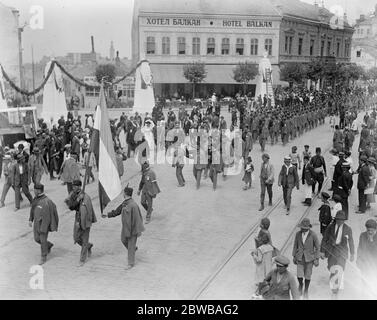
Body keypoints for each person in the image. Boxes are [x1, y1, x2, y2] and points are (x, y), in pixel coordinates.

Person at [103, 186, 145, 270]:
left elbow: (137, 219)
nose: (122, 193)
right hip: (126, 227)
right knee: (123, 240)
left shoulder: (133, 205)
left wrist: (134, 229)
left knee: (130, 244)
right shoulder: (125, 203)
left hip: (133, 228)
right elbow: (117, 211)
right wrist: (108, 215)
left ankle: (130, 263)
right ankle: (133, 249)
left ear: (125, 193)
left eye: (123, 192)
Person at [320, 210, 355, 299]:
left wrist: (352, 253)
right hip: (332, 251)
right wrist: (322, 251)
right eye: (338, 219)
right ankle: (333, 283)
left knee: (339, 269)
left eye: (342, 220)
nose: (340, 222)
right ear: (336, 219)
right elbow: (324, 238)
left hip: (342, 252)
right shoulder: (330, 227)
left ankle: (335, 290)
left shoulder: (348, 229)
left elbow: (351, 241)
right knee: (331, 268)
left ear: (344, 220)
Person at [65, 180, 97, 266]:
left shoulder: (86, 197)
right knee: (76, 238)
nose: (73, 188)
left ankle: (82, 259)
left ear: (79, 186)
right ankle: (88, 246)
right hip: (78, 218)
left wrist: (83, 221)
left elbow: (88, 211)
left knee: (85, 239)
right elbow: (71, 207)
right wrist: (78, 200)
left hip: (85, 219)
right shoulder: (74, 195)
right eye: (73, 186)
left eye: (75, 186)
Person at [28, 183, 59, 265]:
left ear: (39, 191)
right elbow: (33, 209)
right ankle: (48, 245)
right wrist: (31, 219)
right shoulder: (36, 198)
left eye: (35, 190)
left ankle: (43, 257)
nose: (34, 191)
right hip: (36, 224)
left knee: (42, 240)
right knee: (36, 239)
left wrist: (44, 228)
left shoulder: (46, 201)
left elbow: (47, 217)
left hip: (43, 225)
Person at [292, 218, 320, 299]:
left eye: (305, 229)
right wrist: (294, 255)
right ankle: (301, 285)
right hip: (300, 258)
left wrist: (316, 258)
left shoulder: (313, 235)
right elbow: (295, 245)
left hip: (309, 259)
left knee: (308, 275)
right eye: (302, 228)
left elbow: (318, 247)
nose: (303, 230)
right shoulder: (298, 234)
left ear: (308, 228)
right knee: (299, 275)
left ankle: (306, 290)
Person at [356, 219, 377, 296]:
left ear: (375, 229)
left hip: (374, 265)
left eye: (372, 230)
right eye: (368, 230)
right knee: (364, 281)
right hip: (364, 264)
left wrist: (371, 241)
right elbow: (360, 248)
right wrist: (358, 259)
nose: (370, 232)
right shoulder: (362, 235)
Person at [251, 233, 274, 297]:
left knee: (261, 280)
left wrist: (254, 255)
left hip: (262, 267)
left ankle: (258, 293)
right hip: (268, 266)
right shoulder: (270, 247)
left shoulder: (260, 249)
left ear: (261, 241)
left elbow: (259, 260)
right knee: (267, 279)